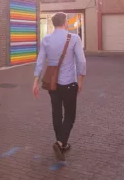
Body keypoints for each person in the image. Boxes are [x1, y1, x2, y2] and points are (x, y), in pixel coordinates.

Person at [32, 12, 86, 161]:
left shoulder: (46, 39)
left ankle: (60, 143)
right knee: (70, 115)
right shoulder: (74, 38)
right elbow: (81, 61)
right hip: (69, 83)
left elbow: (40, 61)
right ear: (65, 23)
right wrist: (80, 80)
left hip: (52, 84)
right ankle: (61, 142)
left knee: (56, 113)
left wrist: (36, 80)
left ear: (53, 24)